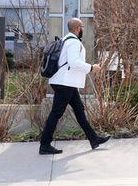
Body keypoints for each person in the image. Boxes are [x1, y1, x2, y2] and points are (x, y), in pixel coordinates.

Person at [39, 18, 110, 155]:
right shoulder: (73, 42)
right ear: (78, 28)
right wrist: (91, 67)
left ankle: (94, 139)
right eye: (82, 27)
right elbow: (73, 62)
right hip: (65, 83)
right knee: (56, 113)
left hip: (65, 82)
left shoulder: (66, 40)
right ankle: (44, 145)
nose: (83, 29)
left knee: (79, 110)